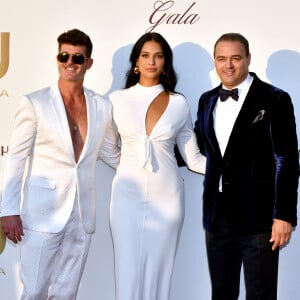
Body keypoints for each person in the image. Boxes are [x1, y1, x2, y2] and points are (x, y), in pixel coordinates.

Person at [0, 28, 120, 299]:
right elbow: (17, 157)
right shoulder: (35, 103)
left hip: (82, 214)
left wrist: (152, 165)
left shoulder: (102, 106)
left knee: (67, 292)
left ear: (88, 63)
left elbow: (112, 154)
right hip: (43, 214)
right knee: (34, 290)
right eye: (64, 55)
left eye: (77, 58)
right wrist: (8, 210)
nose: (69, 62)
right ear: (57, 58)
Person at [194, 32, 299, 299]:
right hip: (217, 219)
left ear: (248, 59)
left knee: (261, 295)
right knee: (221, 293)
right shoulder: (206, 100)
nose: (228, 65)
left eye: (236, 58)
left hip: (260, 219)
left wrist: (284, 215)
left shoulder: (275, 99)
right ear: (214, 61)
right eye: (221, 59)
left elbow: (287, 159)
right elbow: (197, 145)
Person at [109, 32, 206, 300]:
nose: (152, 61)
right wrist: (127, 166)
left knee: (160, 275)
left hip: (168, 198)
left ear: (165, 63)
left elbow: (194, 159)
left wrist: (235, 170)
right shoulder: (117, 99)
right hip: (126, 197)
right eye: (146, 55)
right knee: (127, 270)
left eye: (159, 56)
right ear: (136, 62)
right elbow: (107, 147)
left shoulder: (179, 103)